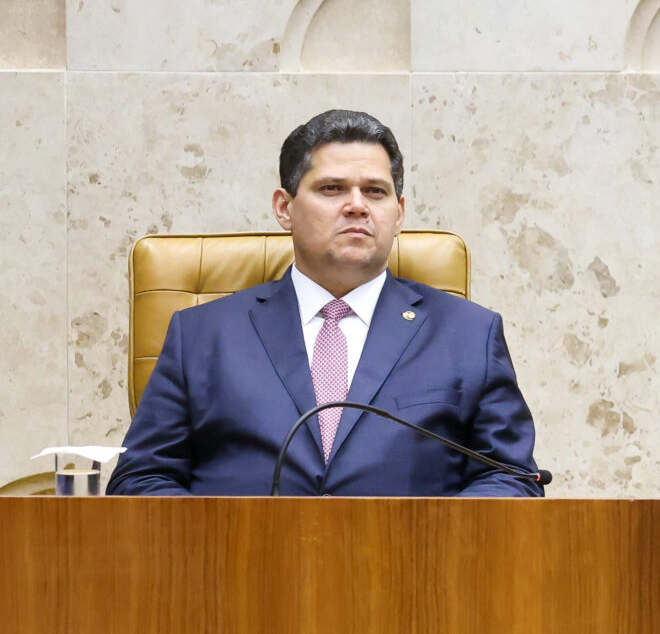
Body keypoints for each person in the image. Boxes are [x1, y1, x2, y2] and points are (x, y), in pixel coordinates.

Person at [112, 110, 543, 495]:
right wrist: (222, 544)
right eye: (332, 188)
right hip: (240, 558)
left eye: (375, 192)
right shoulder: (202, 335)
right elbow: (141, 478)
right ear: (284, 208)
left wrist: (429, 542)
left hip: (412, 558)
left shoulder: (469, 334)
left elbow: (511, 479)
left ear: (399, 213)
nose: (357, 206)